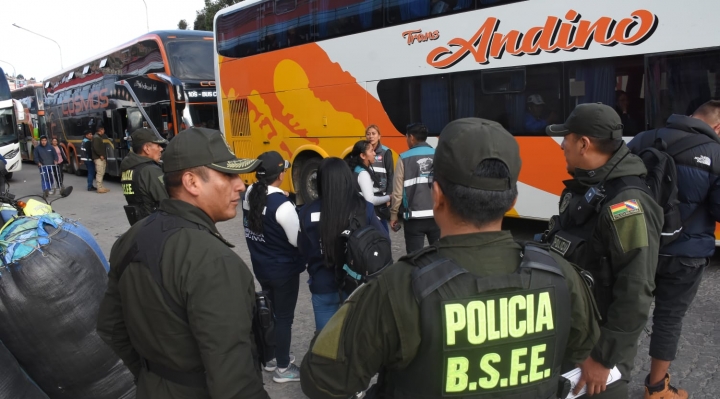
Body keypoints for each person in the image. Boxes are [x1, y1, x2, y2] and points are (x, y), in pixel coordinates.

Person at [300, 118, 600, 399]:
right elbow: (578, 352)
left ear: (437, 195)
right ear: (512, 201)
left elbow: (323, 379)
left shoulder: (397, 288)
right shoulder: (561, 275)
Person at [96, 127, 270, 399]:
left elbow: (111, 327)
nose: (241, 185)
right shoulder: (214, 261)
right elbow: (235, 382)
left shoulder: (131, 238)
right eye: (228, 174)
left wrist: (153, 377)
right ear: (191, 182)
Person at [542, 103, 664, 398]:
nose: (562, 145)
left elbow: (635, 289)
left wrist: (603, 359)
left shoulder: (627, 205)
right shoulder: (588, 186)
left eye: (567, 138)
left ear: (583, 144)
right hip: (574, 336)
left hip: (597, 352)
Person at [628, 100, 720, 399]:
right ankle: (657, 389)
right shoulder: (716, 153)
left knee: (625, 311)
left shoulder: (644, 139)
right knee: (668, 318)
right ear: (717, 126)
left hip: (639, 245)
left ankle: (610, 375)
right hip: (686, 253)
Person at [298, 157, 388, 332]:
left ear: (321, 181)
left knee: (326, 345)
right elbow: (383, 240)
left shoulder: (306, 212)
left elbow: (303, 249)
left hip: (322, 285)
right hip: (358, 285)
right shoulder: (363, 208)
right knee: (357, 340)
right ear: (347, 179)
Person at [242, 150, 305, 384]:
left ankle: (270, 358)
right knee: (284, 317)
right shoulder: (283, 205)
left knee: (268, 312)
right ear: (280, 175)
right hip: (284, 271)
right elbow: (297, 241)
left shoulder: (250, 194)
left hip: (261, 266)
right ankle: (283, 367)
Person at [389, 123, 440, 254]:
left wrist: (394, 214)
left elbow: (398, 192)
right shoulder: (438, 155)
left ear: (411, 137)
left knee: (414, 259)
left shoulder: (403, 158)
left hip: (413, 219)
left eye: (406, 137)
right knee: (440, 256)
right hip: (437, 216)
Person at [120, 128, 169, 223]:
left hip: (140, 225)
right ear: (147, 148)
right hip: (158, 225)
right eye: (158, 145)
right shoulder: (150, 170)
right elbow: (168, 202)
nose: (161, 149)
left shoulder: (128, 168)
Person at [346, 140, 391, 223]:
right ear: (363, 155)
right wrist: (389, 197)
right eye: (371, 151)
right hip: (370, 217)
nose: (374, 153)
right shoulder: (363, 173)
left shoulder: (357, 169)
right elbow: (370, 200)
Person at [366, 124, 394, 231]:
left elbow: (391, 174)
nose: (371, 136)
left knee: (382, 226)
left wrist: (388, 194)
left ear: (379, 136)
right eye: (368, 134)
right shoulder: (363, 152)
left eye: (374, 134)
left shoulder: (386, 152)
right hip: (368, 193)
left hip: (381, 195)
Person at [92, 126, 110, 193]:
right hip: (98, 158)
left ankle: (101, 186)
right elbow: (96, 147)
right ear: (101, 130)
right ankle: (99, 188)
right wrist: (100, 155)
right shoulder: (96, 138)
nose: (104, 131)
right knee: (100, 173)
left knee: (102, 172)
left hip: (101, 157)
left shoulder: (98, 137)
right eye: (103, 130)